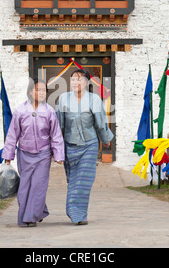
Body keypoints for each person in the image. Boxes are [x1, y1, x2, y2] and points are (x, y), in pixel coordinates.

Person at [2, 78, 65, 227]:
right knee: (25, 187)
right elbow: (13, 133)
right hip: (24, 154)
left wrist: (58, 155)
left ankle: (30, 217)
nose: (41, 93)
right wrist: (8, 155)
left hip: (43, 154)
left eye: (44, 90)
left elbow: (56, 135)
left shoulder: (49, 111)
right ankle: (35, 212)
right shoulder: (20, 110)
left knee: (38, 186)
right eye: (38, 90)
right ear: (31, 92)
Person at [56, 69, 113, 225]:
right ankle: (75, 211)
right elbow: (58, 124)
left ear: (87, 82)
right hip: (69, 146)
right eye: (73, 79)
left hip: (89, 145)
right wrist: (57, 148)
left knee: (84, 180)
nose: (75, 82)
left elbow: (101, 122)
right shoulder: (63, 99)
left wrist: (106, 139)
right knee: (73, 180)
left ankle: (78, 214)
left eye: (79, 79)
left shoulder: (94, 99)